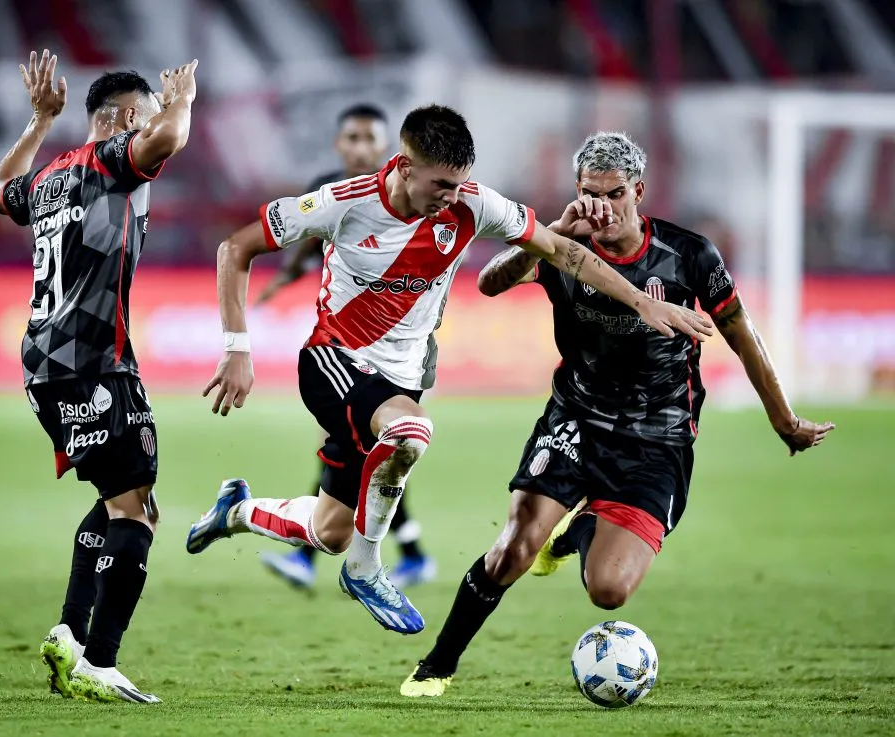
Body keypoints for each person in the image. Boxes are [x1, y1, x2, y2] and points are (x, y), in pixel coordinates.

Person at [185, 108, 712, 636]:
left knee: (331, 530)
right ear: (405, 165)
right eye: (441, 183)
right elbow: (236, 247)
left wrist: (641, 301)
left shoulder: (472, 202)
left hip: (400, 380)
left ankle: (236, 510)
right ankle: (366, 571)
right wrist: (236, 348)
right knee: (411, 432)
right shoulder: (343, 204)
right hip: (335, 359)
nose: (451, 196)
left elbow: (562, 251)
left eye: (459, 183)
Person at [400, 131, 836, 696]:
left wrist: (784, 420)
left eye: (614, 195)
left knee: (608, 591)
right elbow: (488, 283)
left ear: (640, 191)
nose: (601, 208)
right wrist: (551, 233)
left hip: (658, 440)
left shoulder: (689, 255)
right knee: (512, 548)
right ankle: (438, 664)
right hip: (575, 420)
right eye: (589, 193)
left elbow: (742, 335)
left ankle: (577, 530)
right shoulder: (562, 244)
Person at [0, 50, 198, 703]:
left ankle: (70, 633)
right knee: (140, 507)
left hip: (42, 366)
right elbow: (170, 137)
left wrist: (39, 121)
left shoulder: (48, 175)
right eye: (148, 115)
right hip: (94, 362)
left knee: (114, 498)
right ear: (128, 118)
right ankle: (100, 663)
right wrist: (182, 99)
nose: (155, 126)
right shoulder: (111, 158)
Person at [256, 104, 437, 591]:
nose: (359, 148)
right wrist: (282, 281)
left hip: (399, 356)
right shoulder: (333, 193)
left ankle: (329, 558)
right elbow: (304, 245)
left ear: (387, 148)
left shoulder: (421, 196)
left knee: (373, 448)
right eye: (351, 138)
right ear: (339, 144)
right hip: (348, 345)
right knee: (367, 450)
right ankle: (399, 555)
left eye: (368, 139)